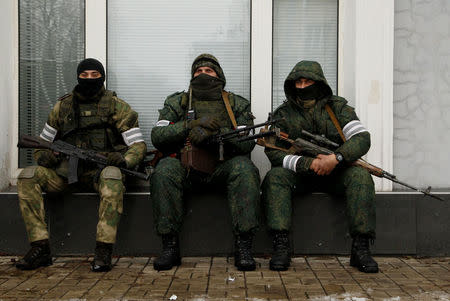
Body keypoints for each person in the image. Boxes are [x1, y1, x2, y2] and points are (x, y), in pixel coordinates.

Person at [16, 58, 147, 272]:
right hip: (65, 174)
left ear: (102, 77)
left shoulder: (116, 106)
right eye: (84, 75)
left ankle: (103, 250)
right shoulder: (63, 107)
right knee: (28, 176)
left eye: (95, 75)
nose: (89, 79)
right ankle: (40, 247)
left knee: (113, 176)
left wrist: (124, 160)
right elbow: (41, 145)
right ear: (77, 77)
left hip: (100, 174)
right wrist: (46, 158)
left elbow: (138, 145)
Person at [261, 60, 378, 273]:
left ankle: (361, 248)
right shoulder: (283, 113)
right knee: (275, 177)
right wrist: (309, 163)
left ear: (319, 82)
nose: (303, 86)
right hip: (301, 175)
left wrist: (336, 158)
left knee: (361, 177)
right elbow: (273, 151)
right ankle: (281, 245)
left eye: (308, 81)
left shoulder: (337, 107)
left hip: (337, 173)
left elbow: (362, 138)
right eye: (299, 82)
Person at [150, 54, 260, 271]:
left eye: (208, 71)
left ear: (219, 75)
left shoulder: (236, 103)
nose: (203, 74)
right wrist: (190, 126)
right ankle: (169, 246)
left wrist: (215, 134)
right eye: (198, 71)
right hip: (187, 168)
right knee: (163, 171)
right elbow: (158, 136)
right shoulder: (177, 102)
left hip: (223, 168)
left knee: (245, 169)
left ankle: (244, 246)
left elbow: (246, 143)